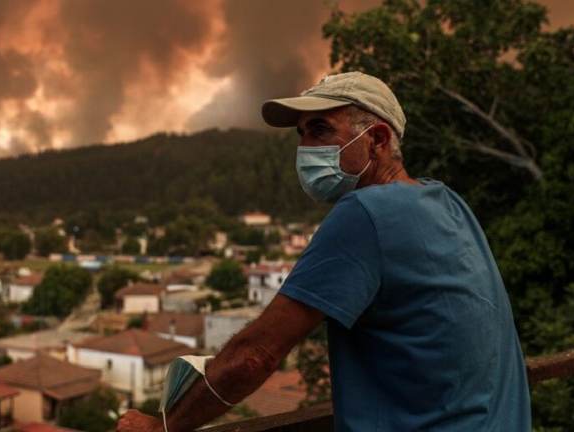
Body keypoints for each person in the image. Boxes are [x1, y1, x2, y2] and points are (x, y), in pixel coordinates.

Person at [117, 71, 531, 432]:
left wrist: (163, 426)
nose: (306, 148)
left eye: (320, 130)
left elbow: (255, 356)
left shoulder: (365, 213)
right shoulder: (447, 201)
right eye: (301, 135)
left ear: (377, 139)